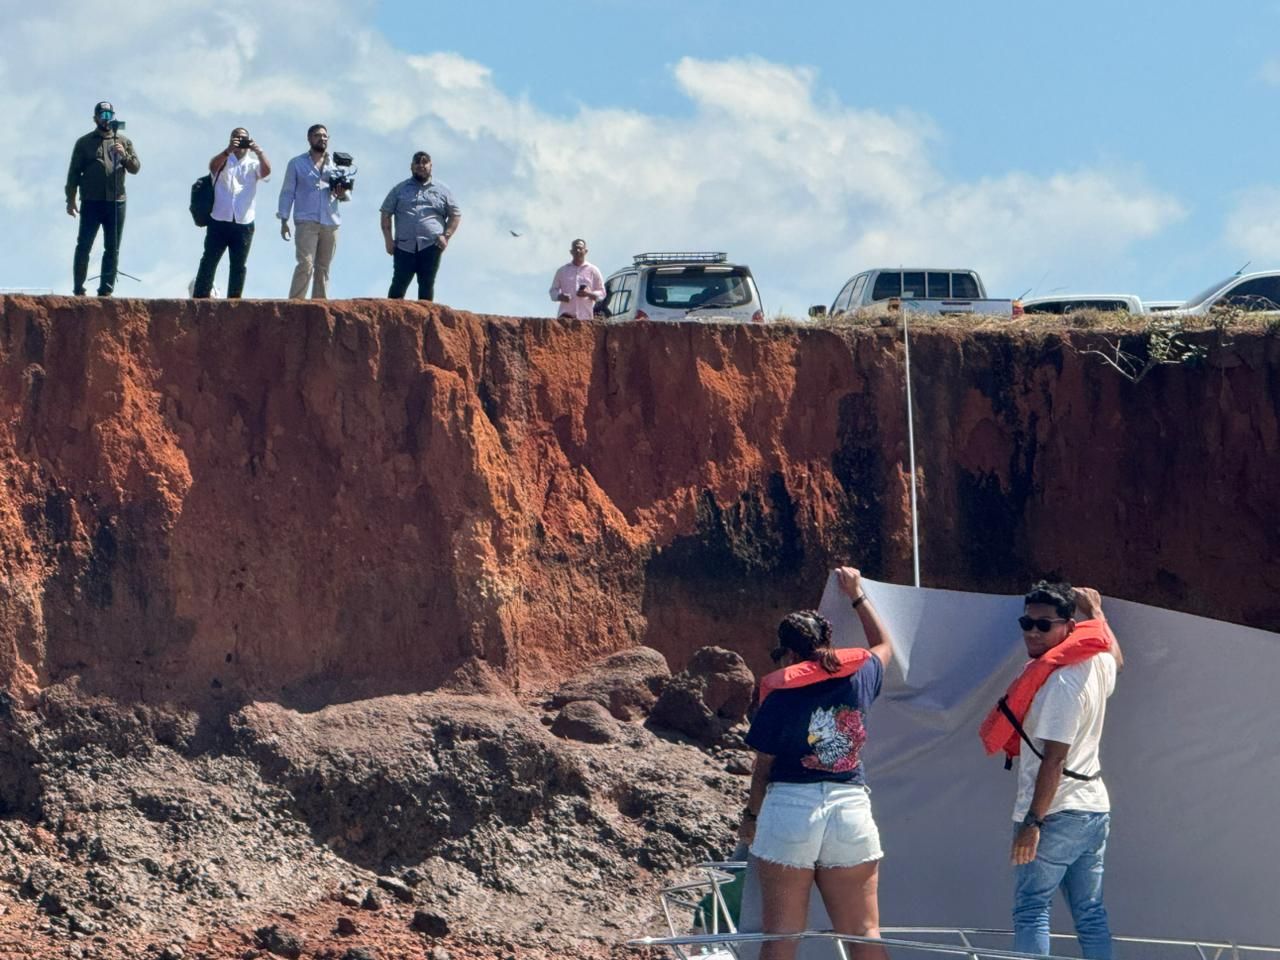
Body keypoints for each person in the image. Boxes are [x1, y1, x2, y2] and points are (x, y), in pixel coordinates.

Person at [740, 566, 894, 960]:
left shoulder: (778, 695)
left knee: (781, 939)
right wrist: (857, 595)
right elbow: (885, 645)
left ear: (788, 652)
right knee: (865, 934)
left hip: (791, 811)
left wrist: (752, 816)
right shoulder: (860, 676)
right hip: (850, 810)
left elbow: (764, 767)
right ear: (830, 640)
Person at [979, 582, 1124, 960]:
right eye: (1026, 622)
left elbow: (1054, 759)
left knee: (1031, 909)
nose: (1032, 631)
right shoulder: (1097, 663)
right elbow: (1117, 659)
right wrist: (1097, 612)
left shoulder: (1060, 684)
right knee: (1090, 913)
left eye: (1044, 625)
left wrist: (1032, 823)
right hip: (1094, 809)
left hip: (1055, 813)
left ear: (1069, 629)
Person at [65, 101, 141, 296]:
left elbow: (135, 168)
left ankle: (106, 290)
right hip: (91, 201)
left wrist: (124, 156)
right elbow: (74, 172)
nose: (106, 120)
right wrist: (70, 199)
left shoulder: (123, 141)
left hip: (116, 201)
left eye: (109, 115)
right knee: (84, 245)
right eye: (102, 116)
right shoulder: (84, 143)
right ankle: (78, 287)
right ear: (95, 118)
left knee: (112, 247)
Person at [193, 128, 271, 299]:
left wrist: (259, 152)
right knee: (209, 260)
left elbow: (266, 172)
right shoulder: (223, 161)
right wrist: (228, 150)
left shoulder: (253, 164)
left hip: (244, 222)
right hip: (219, 219)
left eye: (243, 138)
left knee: (238, 265)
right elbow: (212, 166)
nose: (240, 141)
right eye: (236, 137)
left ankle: (234, 300)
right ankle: (200, 296)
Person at [277, 124, 350, 299]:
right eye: (318, 135)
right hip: (306, 221)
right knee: (305, 264)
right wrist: (283, 219)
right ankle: (295, 303)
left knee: (323, 267)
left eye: (325, 136)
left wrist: (341, 193)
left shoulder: (336, 163)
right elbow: (287, 192)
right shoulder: (297, 163)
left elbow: (347, 194)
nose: (322, 139)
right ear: (309, 138)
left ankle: (320, 305)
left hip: (330, 221)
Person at [379, 151, 461, 301]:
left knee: (426, 285)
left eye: (425, 162)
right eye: (417, 163)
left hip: (431, 245)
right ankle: (390, 323)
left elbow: (455, 214)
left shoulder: (443, 190)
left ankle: (426, 323)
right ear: (411, 166)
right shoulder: (399, 189)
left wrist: (446, 236)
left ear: (431, 166)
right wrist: (388, 240)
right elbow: (385, 213)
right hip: (404, 246)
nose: (421, 166)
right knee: (398, 285)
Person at [548, 238, 605, 319]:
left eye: (580, 248)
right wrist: (560, 296)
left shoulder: (593, 270)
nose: (578, 251)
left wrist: (588, 294)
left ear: (585, 251)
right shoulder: (562, 271)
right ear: (571, 252)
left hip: (585, 317)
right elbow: (553, 291)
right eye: (575, 249)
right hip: (565, 317)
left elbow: (602, 293)